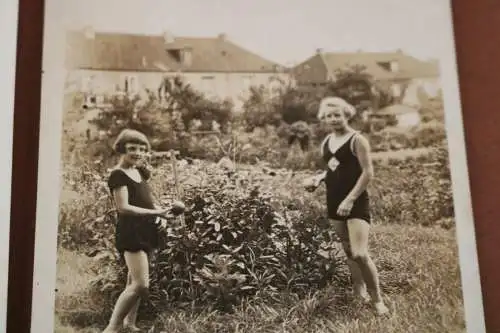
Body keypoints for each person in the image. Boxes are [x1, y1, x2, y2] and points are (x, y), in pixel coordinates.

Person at [304, 97, 389, 316]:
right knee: (348, 249)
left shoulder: (357, 140)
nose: (333, 119)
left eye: (337, 115)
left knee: (360, 253)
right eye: (329, 115)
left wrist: (350, 200)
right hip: (333, 200)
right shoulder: (326, 142)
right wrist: (318, 179)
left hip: (355, 200)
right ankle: (358, 290)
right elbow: (333, 170)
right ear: (324, 118)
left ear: (346, 115)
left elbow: (368, 172)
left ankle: (377, 300)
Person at [102, 129, 184, 333]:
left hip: (146, 229)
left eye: (141, 148)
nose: (137, 152)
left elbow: (145, 198)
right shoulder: (118, 175)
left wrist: (161, 213)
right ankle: (111, 329)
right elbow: (124, 207)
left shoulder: (139, 172)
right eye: (132, 148)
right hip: (131, 233)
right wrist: (154, 212)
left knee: (133, 281)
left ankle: (130, 324)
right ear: (121, 149)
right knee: (141, 285)